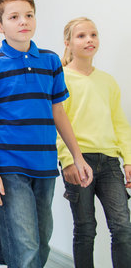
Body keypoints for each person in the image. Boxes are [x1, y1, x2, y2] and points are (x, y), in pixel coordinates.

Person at [0, 0, 93, 268]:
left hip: (45, 164)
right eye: (14, 17)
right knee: (25, 246)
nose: (23, 21)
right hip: (9, 165)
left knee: (41, 239)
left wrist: (77, 156)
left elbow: (58, 112)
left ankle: (4, 261)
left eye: (28, 15)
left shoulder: (50, 62)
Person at [57, 17, 131, 267]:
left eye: (93, 34)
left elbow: (119, 122)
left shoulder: (108, 81)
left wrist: (128, 160)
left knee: (122, 228)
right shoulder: (61, 79)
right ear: (67, 43)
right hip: (80, 162)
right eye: (81, 36)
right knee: (86, 229)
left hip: (110, 163)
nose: (89, 40)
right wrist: (68, 160)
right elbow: (56, 123)